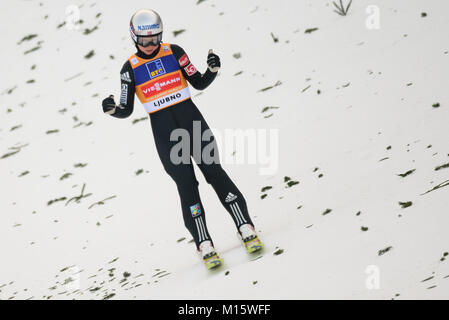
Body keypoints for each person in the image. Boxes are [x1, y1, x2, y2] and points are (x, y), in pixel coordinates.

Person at [102, 9, 263, 269]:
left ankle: (245, 225)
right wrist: (111, 109)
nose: (150, 45)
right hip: (166, 136)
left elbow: (198, 82)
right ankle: (204, 243)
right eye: (144, 41)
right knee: (187, 186)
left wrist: (212, 70)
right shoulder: (129, 69)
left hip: (193, 124)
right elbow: (126, 108)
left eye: (155, 39)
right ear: (135, 38)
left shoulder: (174, 52)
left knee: (215, 173)